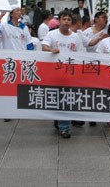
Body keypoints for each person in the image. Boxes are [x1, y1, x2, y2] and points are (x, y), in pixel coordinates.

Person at [42, 10, 85, 138]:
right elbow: (44, 46)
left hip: (69, 73)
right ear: (59, 21)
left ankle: (64, 127)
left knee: (66, 99)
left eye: (69, 19)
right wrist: (51, 49)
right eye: (64, 19)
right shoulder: (51, 34)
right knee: (57, 99)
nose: (66, 21)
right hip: (54, 73)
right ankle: (59, 120)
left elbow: (80, 53)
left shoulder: (75, 37)